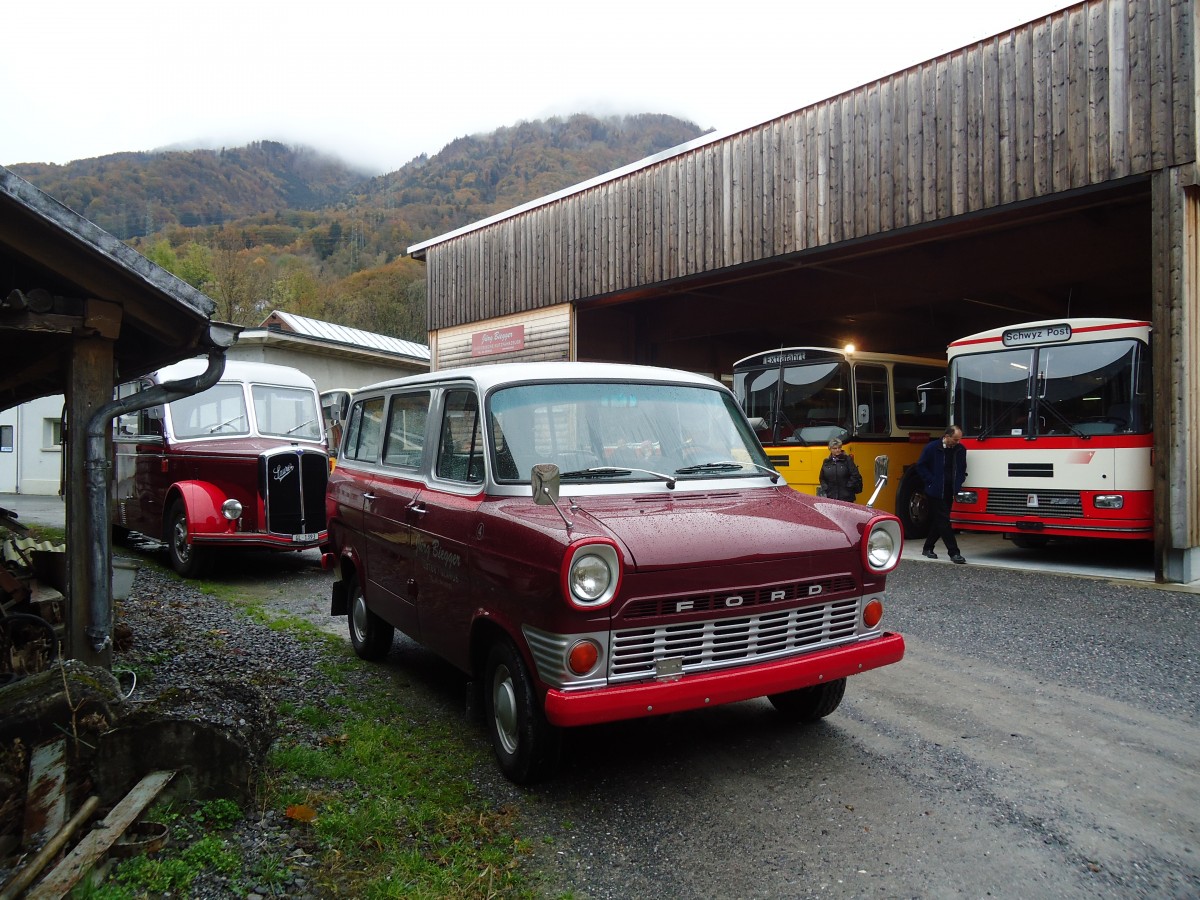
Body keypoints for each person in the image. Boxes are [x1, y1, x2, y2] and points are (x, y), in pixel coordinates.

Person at [916, 425, 968, 563]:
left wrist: (958, 483)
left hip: (949, 489)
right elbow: (921, 465)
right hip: (935, 490)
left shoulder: (960, 449)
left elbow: (962, 469)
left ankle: (928, 547)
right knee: (944, 521)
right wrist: (931, 480)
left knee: (940, 520)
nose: (958, 442)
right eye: (955, 439)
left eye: (959, 439)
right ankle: (954, 552)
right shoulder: (931, 448)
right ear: (946, 436)